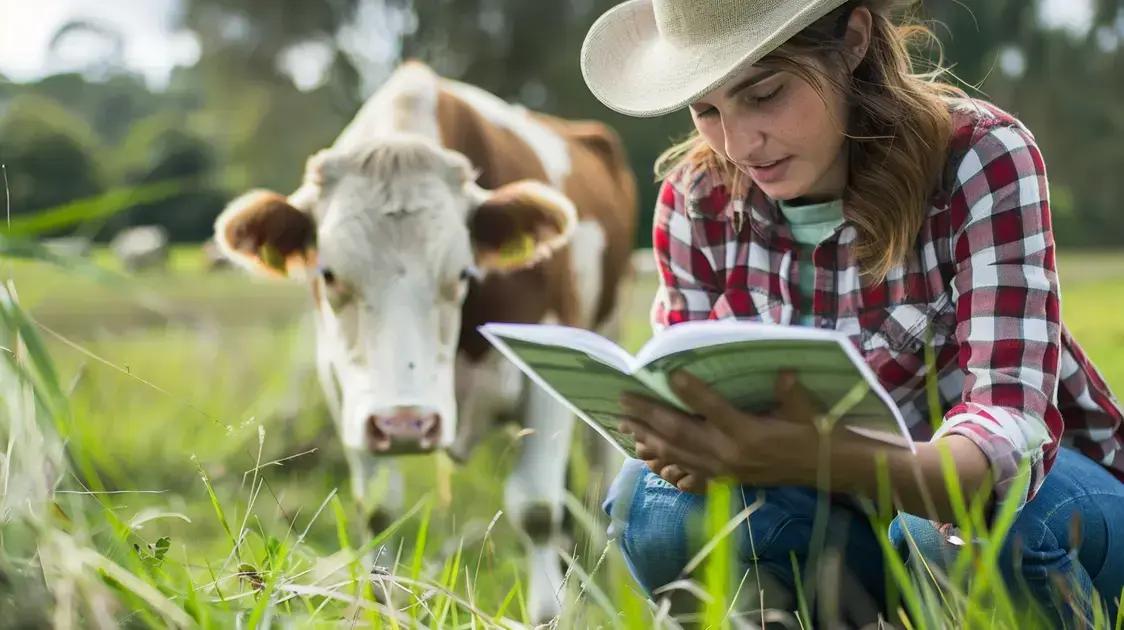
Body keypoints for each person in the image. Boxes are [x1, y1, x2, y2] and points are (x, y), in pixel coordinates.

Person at [580, 0, 1124, 624]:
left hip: (1033, 503)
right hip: (829, 516)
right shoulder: (697, 201)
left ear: (854, 40)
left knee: (948, 534)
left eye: (765, 94)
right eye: (707, 110)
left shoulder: (980, 157)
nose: (738, 144)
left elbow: (1009, 434)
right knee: (651, 508)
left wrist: (813, 455)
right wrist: (682, 440)